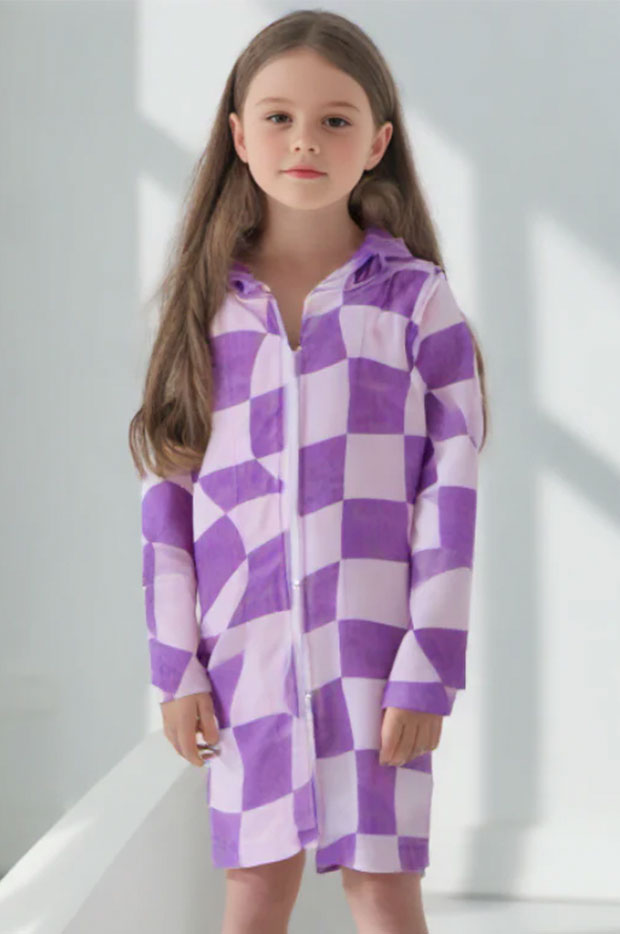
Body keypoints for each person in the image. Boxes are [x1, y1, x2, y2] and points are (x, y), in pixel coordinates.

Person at [129, 9, 489, 934]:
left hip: (376, 656)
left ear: (377, 143)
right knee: (254, 891)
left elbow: (450, 496)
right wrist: (176, 668)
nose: (304, 141)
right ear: (239, 135)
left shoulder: (416, 303)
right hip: (242, 661)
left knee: (383, 888)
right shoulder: (202, 310)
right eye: (279, 118)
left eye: (335, 120)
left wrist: (428, 668)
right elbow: (165, 499)